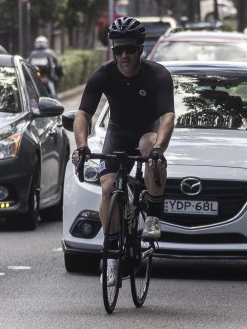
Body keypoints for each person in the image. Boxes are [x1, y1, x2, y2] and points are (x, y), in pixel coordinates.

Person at [71, 16, 175, 286]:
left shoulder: (157, 75)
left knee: (147, 147)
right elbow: (83, 114)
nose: (124, 55)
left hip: (147, 131)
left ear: (140, 48)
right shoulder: (104, 74)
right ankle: (113, 255)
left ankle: (153, 214)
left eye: (130, 49)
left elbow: (167, 117)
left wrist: (159, 150)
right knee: (107, 187)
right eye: (118, 50)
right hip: (117, 133)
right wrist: (81, 147)